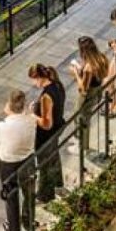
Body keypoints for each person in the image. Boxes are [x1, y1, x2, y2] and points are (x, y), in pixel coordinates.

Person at [0, 89, 37, 231]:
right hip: (28, 159)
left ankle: (14, 228)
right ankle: (29, 221)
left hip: (8, 163)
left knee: (11, 195)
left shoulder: (3, 126)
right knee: (29, 192)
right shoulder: (31, 120)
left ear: (10, 105)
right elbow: (28, 117)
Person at [28, 64, 65, 203]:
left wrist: (32, 115)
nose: (33, 83)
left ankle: (45, 194)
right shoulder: (58, 85)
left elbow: (46, 123)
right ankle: (58, 184)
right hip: (58, 127)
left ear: (38, 77)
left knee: (44, 164)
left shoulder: (46, 96)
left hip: (46, 135)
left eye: (33, 80)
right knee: (54, 156)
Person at [67, 36, 108, 153]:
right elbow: (104, 75)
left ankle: (82, 146)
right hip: (98, 91)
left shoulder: (89, 68)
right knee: (80, 116)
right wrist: (81, 69)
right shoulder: (102, 58)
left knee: (82, 118)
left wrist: (75, 73)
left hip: (87, 96)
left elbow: (83, 89)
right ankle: (79, 138)